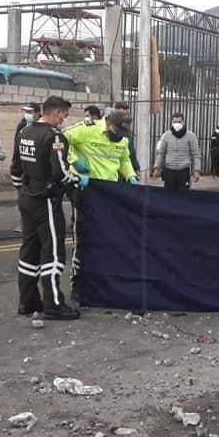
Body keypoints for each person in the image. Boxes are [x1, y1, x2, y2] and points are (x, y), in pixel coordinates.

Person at [11, 96, 81, 320]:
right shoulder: (54, 137)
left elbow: (15, 168)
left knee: (29, 250)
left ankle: (27, 301)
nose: (64, 120)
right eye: (64, 115)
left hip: (26, 197)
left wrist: (23, 191)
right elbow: (60, 172)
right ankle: (53, 304)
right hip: (46, 200)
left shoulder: (24, 132)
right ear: (57, 113)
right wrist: (77, 180)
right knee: (52, 251)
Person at [65, 110, 137, 303]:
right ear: (108, 123)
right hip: (86, 189)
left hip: (109, 193)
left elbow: (124, 160)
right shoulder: (87, 129)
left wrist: (130, 174)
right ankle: (78, 284)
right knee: (83, 238)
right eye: (117, 131)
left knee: (107, 237)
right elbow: (61, 141)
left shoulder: (123, 139)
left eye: (123, 133)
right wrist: (74, 161)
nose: (119, 135)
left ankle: (104, 280)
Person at [153, 112, 201, 190]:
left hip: (184, 172)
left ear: (183, 122)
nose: (177, 124)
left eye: (179, 122)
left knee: (183, 195)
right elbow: (161, 153)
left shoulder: (191, 136)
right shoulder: (166, 136)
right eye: (175, 122)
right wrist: (157, 168)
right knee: (168, 195)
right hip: (169, 172)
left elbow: (196, 155)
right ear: (171, 122)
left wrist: (196, 170)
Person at [112, 102, 140, 174]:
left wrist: (135, 167)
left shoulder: (126, 132)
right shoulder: (104, 128)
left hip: (123, 167)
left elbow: (130, 151)